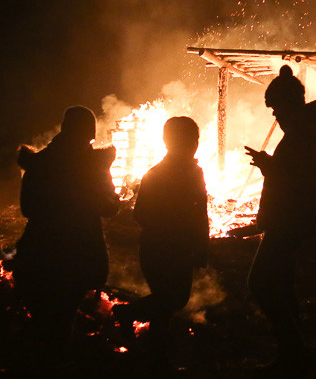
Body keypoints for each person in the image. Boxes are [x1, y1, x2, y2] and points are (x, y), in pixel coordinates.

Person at [245, 64, 316, 374]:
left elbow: (296, 179)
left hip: (288, 221)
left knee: (261, 283)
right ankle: (293, 352)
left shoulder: (304, 133)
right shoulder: (306, 130)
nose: (274, 115)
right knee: (281, 283)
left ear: (289, 104)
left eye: (276, 108)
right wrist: (270, 165)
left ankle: (294, 350)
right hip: (290, 220)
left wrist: (269, 166)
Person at [13, 106, 120, 349]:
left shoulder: (38, 163)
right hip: (78, 253)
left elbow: (28, 208)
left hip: (39, 251)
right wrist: (116, 200)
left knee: (42, 319)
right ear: (88, 134)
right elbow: (108, 208)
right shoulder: (93, 165)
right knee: (63, 321)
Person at [115, 116, 209, 362]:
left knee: (170, 301)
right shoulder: (156, 175)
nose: (192, 145)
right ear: (169, 142)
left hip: (180, 248)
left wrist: (201, 244)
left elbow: (201, 211)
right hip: (160, 248)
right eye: (187, 139)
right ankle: (131, 319)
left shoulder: (194, 172)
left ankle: (157, 351)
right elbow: (141, 214)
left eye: (194, 139)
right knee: (172, 298)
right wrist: (172, 228)